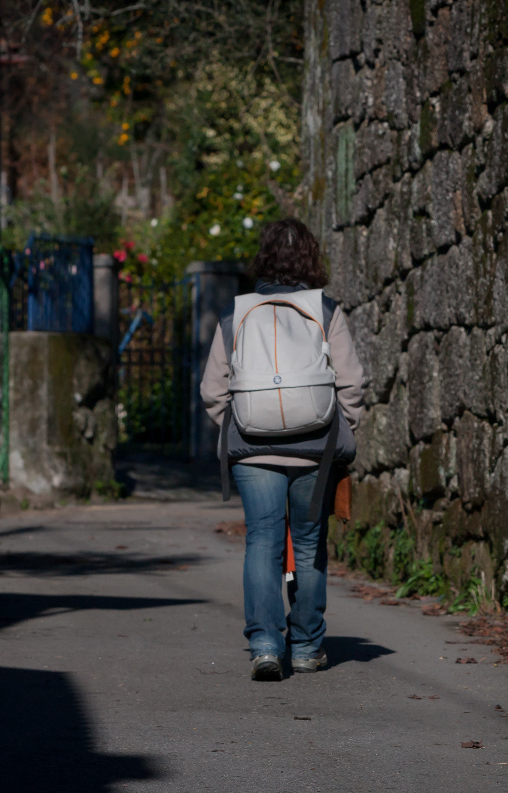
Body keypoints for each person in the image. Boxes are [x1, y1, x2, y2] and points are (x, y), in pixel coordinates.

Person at [200, 218, 367, 681]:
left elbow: (213, 389)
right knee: (309, 543)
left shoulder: (236, 314)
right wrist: (339, 429)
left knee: (263, 541)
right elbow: (351, 383)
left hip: (253, 450)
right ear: (311, 257)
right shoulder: (326, 311)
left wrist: (235, 426)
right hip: (316, 449)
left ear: (264, 257)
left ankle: (265, 647)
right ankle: (308, 647)